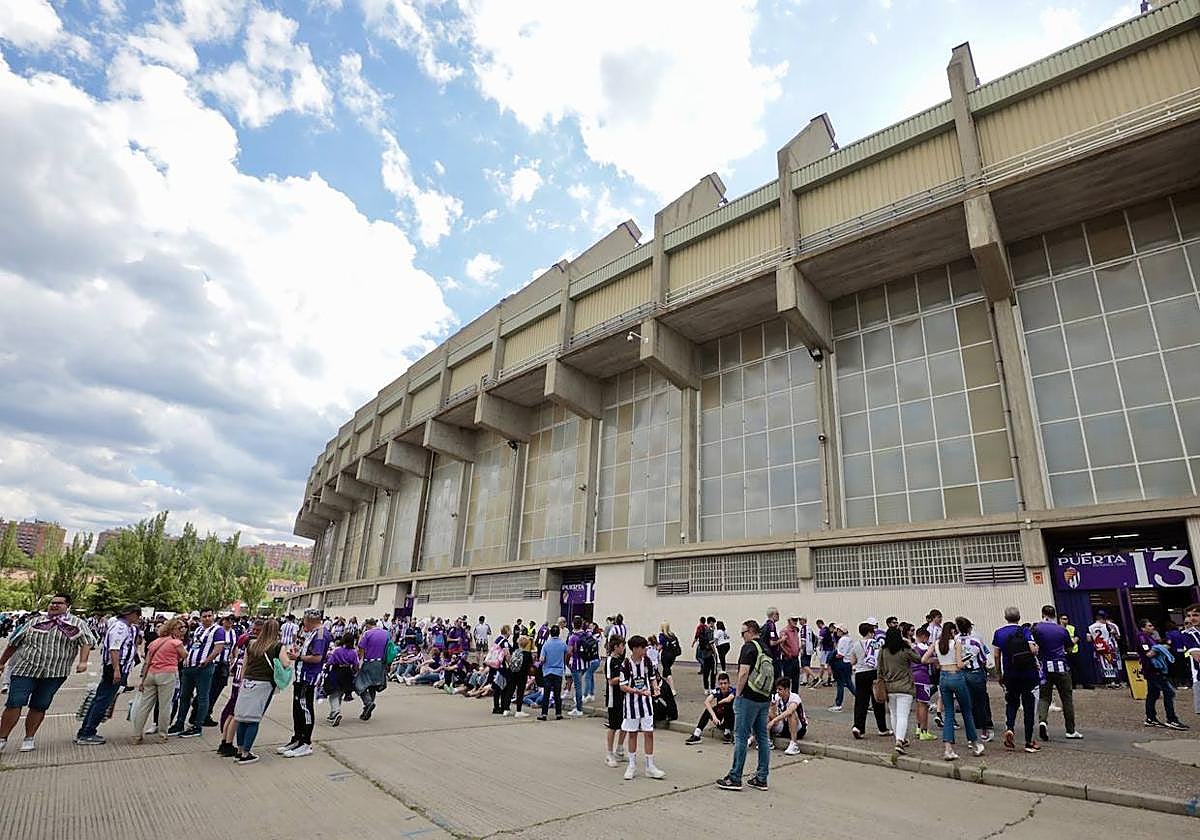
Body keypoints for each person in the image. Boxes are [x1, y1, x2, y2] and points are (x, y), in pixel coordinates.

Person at [716, 620, 773, 792]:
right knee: (762, 737)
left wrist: (738, 694)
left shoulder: (749, 647)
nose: (742, 636)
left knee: (741, 736)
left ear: (750, 631)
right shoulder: (766, 648)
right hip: (764, 697)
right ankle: (762, 777)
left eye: (743, 633)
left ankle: (735, 777)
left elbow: (743, 673)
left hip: (748, 697)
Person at [73, 604, 140, 745]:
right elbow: (114, 649)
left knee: (101, 699)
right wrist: (117, 669)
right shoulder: (120, 628)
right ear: (131, 614)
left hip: (117, 666)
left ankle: (86, 730)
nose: (138, 618)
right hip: (115, 666)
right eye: (137, 615)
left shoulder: (124, 627)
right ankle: (87, 732)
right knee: (103, 700)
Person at [233, 619, 293, 764]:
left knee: (242, 717)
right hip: (264, 684)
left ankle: (240, 749)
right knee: (254, 719)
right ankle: (246, 754)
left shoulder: (251, 644)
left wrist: (241, 682)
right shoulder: (277, 646)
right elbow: (286, 663)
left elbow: (245, 664)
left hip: (247, 682)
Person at [923, 619, 983, 761]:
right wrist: (968, 659)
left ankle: (948, 748)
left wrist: (937, 661)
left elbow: (924, 659)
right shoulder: (955, 644)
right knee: (966, 710)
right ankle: (974, 743)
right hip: (956, 676)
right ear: (952, 632)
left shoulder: (937, 644)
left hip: (943, 677)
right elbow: (960, 664)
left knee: (948, 712)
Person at [170, 607, 227, 738]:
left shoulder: (217, 630)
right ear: (200, 618)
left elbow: (219, 647)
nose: (207, 618)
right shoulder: (198, 630)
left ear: (213, 617)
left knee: (202, 696)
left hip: (203, 667)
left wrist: (207, 660)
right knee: (184, 696)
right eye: (204, 616)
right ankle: (179, 723)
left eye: (209, 616)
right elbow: (192, 645)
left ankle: (198, 725)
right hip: (189, 666)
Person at [280, 608, 329, 758]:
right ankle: (297, 738)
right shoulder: (312, 633)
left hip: (309, 676)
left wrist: (298, 657)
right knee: (297, 708)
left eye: (304, 620)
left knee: (305, 708)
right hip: (301, 675)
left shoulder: (320, 634)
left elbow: (317, 657)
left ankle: (305, 742)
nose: (303, 623)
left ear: (310, 620)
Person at [993, 606, 1040, 753]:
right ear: (1019, 617)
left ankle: (1010, 728)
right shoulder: (1025, 631)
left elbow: (996, 655)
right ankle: (1028, 741)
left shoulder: (999, 633)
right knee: (1029, 705)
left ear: (1005, 617)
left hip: (1010, 674)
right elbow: (1033, 650)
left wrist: (999, 674)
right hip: (1027, 673)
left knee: (1011, 703)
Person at [132, 617, 186, 742]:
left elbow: (147, 662)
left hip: (151, 674)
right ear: (173, 629)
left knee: (144, 706)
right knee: (165, 706)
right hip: (167, 674)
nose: (182, 631)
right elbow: (184, 655)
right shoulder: (176, 643)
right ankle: (162, 734)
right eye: (180, 628)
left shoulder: (155, 642)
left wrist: (142, 679)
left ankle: (136, 734)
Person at [619, 635, 665, 780]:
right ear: (635, 649)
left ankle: (650, 766)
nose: (646, 649)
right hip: (632, 704)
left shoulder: (647, 662)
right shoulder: (625, 664)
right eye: (643, 647)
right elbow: (622, 686)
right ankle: (632, 765)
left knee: (649, 733)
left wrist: (656, 688)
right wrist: (637, 691)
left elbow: (652, 678)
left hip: (646, 704)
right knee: (632, 734)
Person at [1032, 605, 1081, 740]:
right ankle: (1070, 730)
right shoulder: (1062, 629)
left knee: (1044, 697)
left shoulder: (1036, 628)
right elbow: (1069, 647)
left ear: (1043, 614)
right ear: (1055, 615)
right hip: (1060, 666)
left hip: (1045, 667)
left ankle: (1042, 721)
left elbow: (1032, 645)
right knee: (1066, 698)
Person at [1137, 619, 1188, 730]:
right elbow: (1148, 654)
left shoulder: (1151, 638)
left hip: (1155, 670)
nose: (1152, 627)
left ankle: (1151, 718)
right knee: (1169, 692)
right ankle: (1171, 719)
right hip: (1153, 670)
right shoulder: (1142, 638)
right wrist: (1162, 648)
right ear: (1143, 628)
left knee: (1153, 694)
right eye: (1149, 626)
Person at [878, 625, 921, 754]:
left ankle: (899, 738)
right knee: (903, 715)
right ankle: (899, 740)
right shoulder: (905, 650)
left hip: (889, 686)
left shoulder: (883, 651)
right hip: (905, 686)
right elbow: (918, 659)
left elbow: (879, 670)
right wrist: (911, 645)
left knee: (894, 714)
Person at [957, 616, 994, 743]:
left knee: (967, 703)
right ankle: (985, 729)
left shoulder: (956, 640)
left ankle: (971, 735)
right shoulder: (976, 641)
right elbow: (983, 658)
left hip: (962, 673)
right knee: (981, 701)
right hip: (976, 672)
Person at [849, 620, 888, 738]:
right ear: (871, 632)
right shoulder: (877, 644)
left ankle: (858, 727)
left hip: (860, 673)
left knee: (861, 701)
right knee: (878, 700)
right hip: (874, 673)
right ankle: (882, 728)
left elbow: (852, 661)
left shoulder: (856, 644)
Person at [685, 671, 736, 745]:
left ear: (729, 684)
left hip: (731, 721)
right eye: (721, 684)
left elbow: (729, 699)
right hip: (719, 720)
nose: (723, 686)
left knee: (727, 706)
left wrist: (719, 702)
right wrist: (714, 716)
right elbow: (707, 701)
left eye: (725, 683)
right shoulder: (717, 691)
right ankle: (697, 734)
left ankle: (727, 734)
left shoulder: (732, 690)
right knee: (707, 710)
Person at [204, 614, 236, 727]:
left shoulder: (232, 633)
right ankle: (202, 712)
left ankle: (208, 712)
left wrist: (233, 659)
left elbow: (234, 647)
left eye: (232, 621)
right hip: (215, 663)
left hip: (225, 664)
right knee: (209, 690)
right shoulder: (217, 631)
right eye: (227, 620)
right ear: (222, 621)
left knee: (217, 690)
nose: (229, 622)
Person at [355, 617, 389, 720]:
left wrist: (358, 662)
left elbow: (361, 648)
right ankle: (367, 710)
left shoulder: (367, 634)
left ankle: (368, 703)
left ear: (367, 625)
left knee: (359, 685)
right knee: (373, 686)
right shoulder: (386, 633)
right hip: (381, 663)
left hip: (369, 662)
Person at [761, 677, 806, 755]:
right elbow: (773, 715)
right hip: (783, 726)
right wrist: (772, 708)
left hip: (798, 728)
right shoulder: (777, 697)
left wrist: (774, 721)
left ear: (787, 689)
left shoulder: (795, 697)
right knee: (767, 715)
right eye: (777, 689)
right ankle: (768, 741)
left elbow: (789, 711)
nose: (778, 691)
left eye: (780, 689)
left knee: (791, 714)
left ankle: (794, 744)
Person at [603, 635, 628, 767]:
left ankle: (619, 749)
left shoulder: (622, 661)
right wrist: (624, 677)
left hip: (624, 697)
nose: (624, 648)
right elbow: (611, 680)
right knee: (613, 726)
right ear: (615, 647)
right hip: (614, 698)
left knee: (625, 724)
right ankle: (609, 753)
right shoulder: (610, 661)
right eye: (622, 645)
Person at [325, 632, 359, 727]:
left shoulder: (337, 650)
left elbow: (330, 662)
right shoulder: (353, 652)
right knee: (340, 693)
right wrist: (354, 673)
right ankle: (333, 713)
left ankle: (336, 712)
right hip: (347, 673)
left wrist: (326, 667)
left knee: (333, 694)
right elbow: (356, 665)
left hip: (337, 671)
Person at [910, 625, 936, 741]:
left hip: (913, 676)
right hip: (923, 676)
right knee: (924, 704)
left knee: (918, 704)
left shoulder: (913, 648)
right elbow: (927, 660)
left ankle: (918, 727)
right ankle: (924, 731)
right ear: (924, 637)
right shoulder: (925, 648)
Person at [537, 624, 567, 721]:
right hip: (558, 671)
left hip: (547, 672)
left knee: (546, 693)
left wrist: (540, 663)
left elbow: (542, 659)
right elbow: (568, 653)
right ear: (558, 633)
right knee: (557, 694)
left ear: (550, 633)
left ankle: (544, 714)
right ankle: (558, 713)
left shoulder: (546, 644)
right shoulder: (563, 644)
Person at [566, 617, 590, 717]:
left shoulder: (573, 637)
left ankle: (579, 708)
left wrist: (567, 662)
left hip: (576, 664)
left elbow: (569, 651)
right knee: (580, 683)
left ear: (573, 624)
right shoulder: (587, 634)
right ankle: (578, 702)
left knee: (578, 686)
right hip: (586, 663)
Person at [828, 624, 855, 712]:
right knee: (849, 683)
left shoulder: (843, 640)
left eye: (838, 630)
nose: (836, 632)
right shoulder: (849, 639)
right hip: (848, 663)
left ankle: (838, 704)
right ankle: (861, 699)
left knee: (840, 683)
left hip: (842, 663)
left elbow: (840, 654)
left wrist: (833, 657)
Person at [1182, 604, 1200, 716]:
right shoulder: (1188, 635)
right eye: (1189, 615)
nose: (1192, 618)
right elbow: (1198, 657)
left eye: (1196, 615)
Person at [657, 622, 681, 692]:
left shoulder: (662, 636)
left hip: (665, 655)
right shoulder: (672, 635)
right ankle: (664, 686)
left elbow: (660, 647)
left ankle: (672, 689)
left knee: (667, 671)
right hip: (673, 656)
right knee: (665, 671)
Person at [780, 616, 801, 692]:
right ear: (789, 621)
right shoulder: (784, 631)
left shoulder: (795, 631)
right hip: (788, 659)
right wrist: (787, 653)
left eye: (796, 620)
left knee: (796, 680)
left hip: (795, 658)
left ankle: (795, 697)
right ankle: (786, 696)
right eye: (794, 620)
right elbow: (781, 645)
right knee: (787, 680)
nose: (796, 621)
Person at [797, 616, 818, 687]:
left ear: (804, 620)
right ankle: (805, 680)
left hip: (806, 649)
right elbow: (815, 638)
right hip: (810, 649)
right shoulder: (809, 628)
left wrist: (802, 649)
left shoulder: (803, 628)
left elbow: (803, 641)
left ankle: (815, 677)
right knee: (807, 665)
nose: (799, 621)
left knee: (804, 665)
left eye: (800, 620)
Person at [697, 616, 717, 691]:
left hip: (705, 653)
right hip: (710, 653)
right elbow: (710, 642)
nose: (714, 625)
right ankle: (712, 688)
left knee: (706, 671)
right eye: (713, 623)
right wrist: (714, 651)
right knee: (713, 671)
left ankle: (706, 688)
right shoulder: (709, 631)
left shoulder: (703, 629)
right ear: (711, 622)